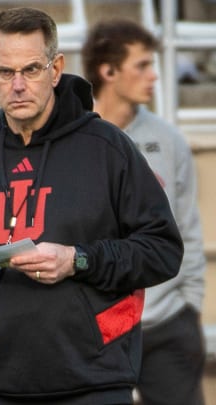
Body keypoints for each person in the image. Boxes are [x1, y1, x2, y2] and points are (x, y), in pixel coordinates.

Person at [0, 7, 184, 404]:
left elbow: (162, 251)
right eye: (5, 72)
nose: (18, 85)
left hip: (88, 386)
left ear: (56, 68)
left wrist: (77, 259)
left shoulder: (108, 150)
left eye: (31, 70)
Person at [82, 18, 207, 405]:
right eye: (142, 65)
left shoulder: (168, 139)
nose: (154, 76)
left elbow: (187, 226)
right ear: (108, 71)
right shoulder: (74, 141)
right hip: (95, 331)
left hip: (167, 324)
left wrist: (190, 306)